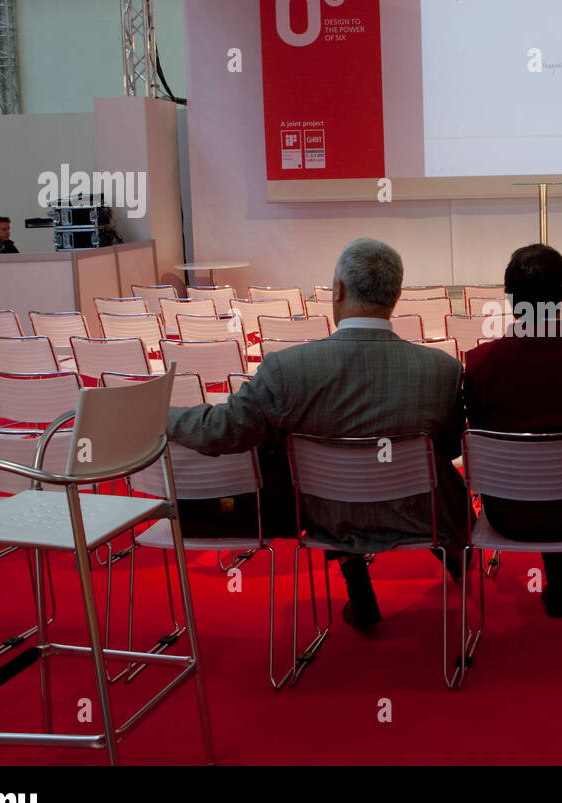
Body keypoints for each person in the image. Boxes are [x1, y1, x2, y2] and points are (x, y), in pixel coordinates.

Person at [166, 238, 468, 629]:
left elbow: (220, 432)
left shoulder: (286, 370)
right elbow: (448, 447)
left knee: (294, 459)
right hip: (423, 513)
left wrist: (155, 413)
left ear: (338, 290)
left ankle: (357, 582)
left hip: (328, 515)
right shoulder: (442, 371)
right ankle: (455, 561)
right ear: (395, 295)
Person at [463, 244, 562, 618]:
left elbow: (479, 427)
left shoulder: (480, 364)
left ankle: (558, 581)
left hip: (507, 512)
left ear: (510, 300)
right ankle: (560, 578)